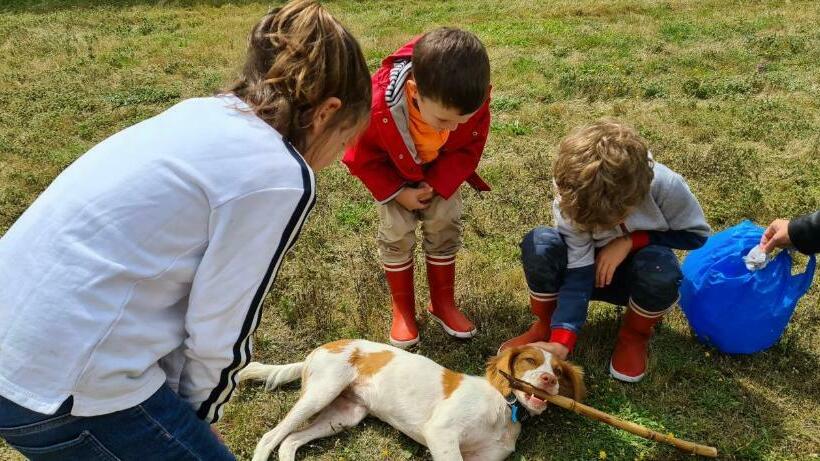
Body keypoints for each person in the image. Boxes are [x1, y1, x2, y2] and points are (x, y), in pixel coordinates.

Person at [0, 2, 371, 459]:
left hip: (20, 356)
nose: (337, 157)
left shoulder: (201, 112)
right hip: (66, 390)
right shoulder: (279, 173)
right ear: (326, 113)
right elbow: (219, 330)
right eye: (345, 139)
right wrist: (193, 423)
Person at [500, 119, 711, 383]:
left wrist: (630, 241)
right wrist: (562, 340)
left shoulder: (666, 186)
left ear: (635, 199)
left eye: (603, 223)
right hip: (581, 273)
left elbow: (696, 235)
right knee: (540, 244)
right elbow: (577, 271)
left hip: (635, 278)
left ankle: (634, 336)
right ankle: (546, 324)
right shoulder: (572, 190)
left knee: (661, 269)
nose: (596, 228)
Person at [342, 28, 492, 348]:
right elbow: (360, 157)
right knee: (396, 233)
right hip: (395, 177)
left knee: (445, 223)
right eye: (443, 120)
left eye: (461, 120)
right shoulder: (376, 106)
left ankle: (442, 303)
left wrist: (438, 184)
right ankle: (404, 310)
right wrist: (399, 192)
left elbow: (469, 148)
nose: (453, 128)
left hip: (440, 176)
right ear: (414, 91)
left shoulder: (470, 99)